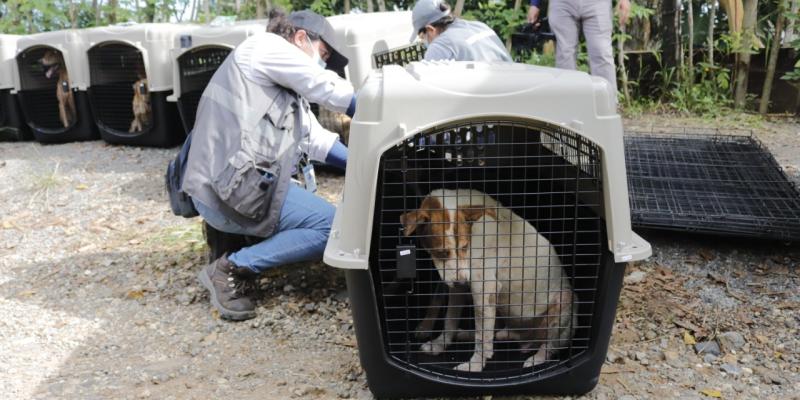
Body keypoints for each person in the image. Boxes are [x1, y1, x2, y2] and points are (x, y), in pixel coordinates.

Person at [182, 9, 356, 321]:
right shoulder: (263, 48)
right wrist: (376, 105)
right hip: (222, 191)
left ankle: (241, 252)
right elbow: (326, 86)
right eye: (323, 53)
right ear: (301, 38)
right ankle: (229, 270)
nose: (323, 63)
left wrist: (364, 163)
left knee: (320, 214)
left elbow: (318, 141)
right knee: (330, 226)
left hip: (236, 187)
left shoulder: (286, 90)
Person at [527, 0, 630, 101]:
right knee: (565, 56)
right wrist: (535, 3)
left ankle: (608, 106)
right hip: (562, 4)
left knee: (602, 54)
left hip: (598, 3)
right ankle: (568, 107)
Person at [411, 0, 512, 62]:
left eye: (422, 36)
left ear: (430, 29)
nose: (423, 41)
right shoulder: (480, 26)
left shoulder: (439, 46)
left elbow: (426, 90)